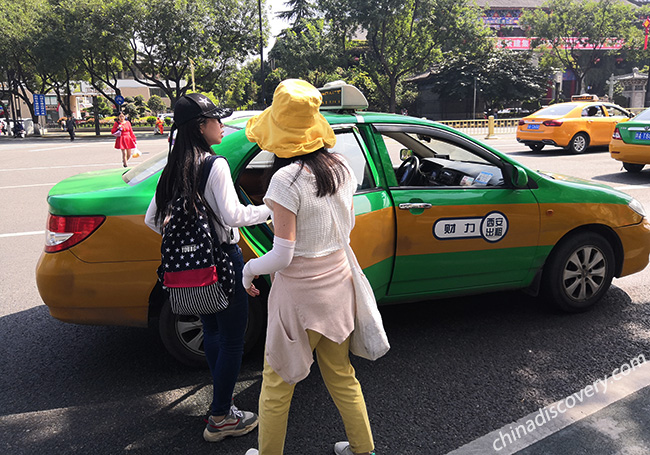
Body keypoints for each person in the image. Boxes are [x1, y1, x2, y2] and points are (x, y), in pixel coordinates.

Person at [242, 79, 375, 455]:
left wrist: (249, 269)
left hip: (298, 299)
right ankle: (364, 450)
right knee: (342, 376)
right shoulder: (341, 168)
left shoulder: (285, 180)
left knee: (277, 384)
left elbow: (283, 256)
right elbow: (344, 227)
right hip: (339, 287)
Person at [144, 93, 271, 443]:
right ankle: (219, 417)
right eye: (217, 119)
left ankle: (221, 403)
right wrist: (268, 210)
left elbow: (153, 219)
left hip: (192, 266)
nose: (222, 125)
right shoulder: (213, 164)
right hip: (222, 260)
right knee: (233, 339)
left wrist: (188, 238)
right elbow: (234, 216)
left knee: (212, 331)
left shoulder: (174, 168)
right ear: (201, 127)